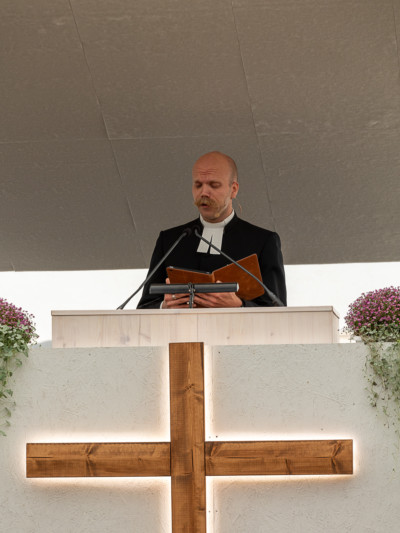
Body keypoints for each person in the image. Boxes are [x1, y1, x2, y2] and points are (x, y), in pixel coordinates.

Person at [137, 151, 286, 309]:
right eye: (198, 185)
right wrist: (165, 306)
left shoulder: (262, 241)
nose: (204, 193)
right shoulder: (170, 241)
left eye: (214, 185)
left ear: (233, 189)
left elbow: (278, 310)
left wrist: (239, 306)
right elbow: (145, 307)